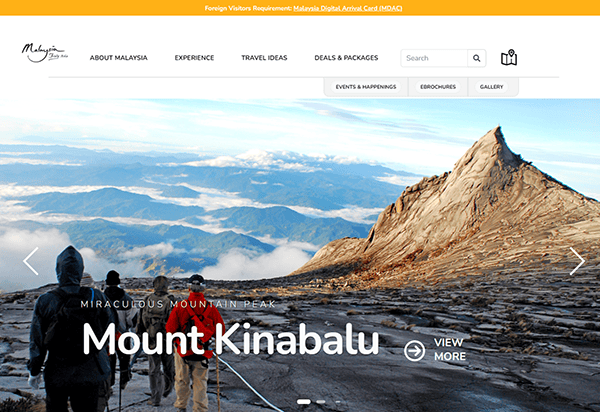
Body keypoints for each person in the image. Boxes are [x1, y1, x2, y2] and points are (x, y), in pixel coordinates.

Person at [28, 245, 113, 412]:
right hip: (90, 370)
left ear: (58, 270)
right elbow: (109, 329)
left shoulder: (46, 300)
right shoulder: (97, 297)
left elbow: (37, 340)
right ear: (80, 270)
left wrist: (34, 370)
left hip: (57, 371)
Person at [166, 274, 224, 412]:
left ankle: (181, 407)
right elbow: (221, 331)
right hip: (202, 352)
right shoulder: (210, 308)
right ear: (203, 289)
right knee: (200, 383)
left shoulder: (180, 307)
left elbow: (170, 329)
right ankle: (200, 409)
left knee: (181, 380)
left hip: (182, 351)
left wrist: (176, 342)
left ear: (189, 289)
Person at [136, 275, 176, 407]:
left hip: (151, 340)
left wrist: (140, 335)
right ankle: (166, 390)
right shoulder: (171, 301)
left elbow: (140, 321)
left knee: (154, 369)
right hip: (167, 341)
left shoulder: (147, 300)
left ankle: (155, 398)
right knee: (169, 368)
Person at [103, 270, 137, 390]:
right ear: (118, 282)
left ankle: (109, 384)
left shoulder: (101, 298)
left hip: (106, 337)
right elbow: (132, 320)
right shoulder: (127, 299)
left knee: (109, 361)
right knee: (124, 359)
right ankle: (123, 380)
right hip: (122, 335)